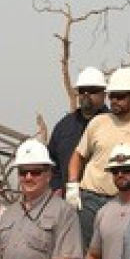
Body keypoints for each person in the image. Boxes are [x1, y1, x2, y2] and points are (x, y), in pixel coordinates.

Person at [66, 67, 130, 245]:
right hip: (91, 199)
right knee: (87, 253)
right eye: (112, 96)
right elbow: (78, 155)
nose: (114, 101)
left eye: (120, 96)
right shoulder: (98, 122)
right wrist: (73, 185)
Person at [46, 66, 108, 195]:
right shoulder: (64, 127)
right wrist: (57, 188)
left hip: (107, 200)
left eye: (92, 90)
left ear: (104, 94)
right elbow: (51, 163)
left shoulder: (115, 124)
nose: (86, 94)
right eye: (82, 90)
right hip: (69, 199)